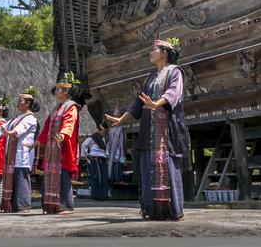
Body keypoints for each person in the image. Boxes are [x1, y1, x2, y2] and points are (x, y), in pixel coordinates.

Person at [105, 38, 190, 221]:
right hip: (148, 132)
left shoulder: (175, 72)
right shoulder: (150, 77)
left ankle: (173, 211)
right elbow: (138, 103)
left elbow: (173, 93)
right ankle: (153, 210)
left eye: (154, 50)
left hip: (167, 132)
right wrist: (121, 119)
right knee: (147, 167)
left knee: (168, 167)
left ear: (165, 53)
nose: (150, 53)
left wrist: (155, 104)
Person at [36, 73, 81, 215]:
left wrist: (63, 134)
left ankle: (66, 205)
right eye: (56, 89)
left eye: (59, 89)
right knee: (50, 174)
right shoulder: (56, 108)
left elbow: (70, 123)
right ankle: (51, 205)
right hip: (52, 148)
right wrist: (38, 141)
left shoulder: (71, 107)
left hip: (63, 147)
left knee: (63, 176)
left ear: (67, 91)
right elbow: (47, 126)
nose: (56, 92)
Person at [0, 87, 40, 213]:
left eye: (20, 100)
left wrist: (9, 132)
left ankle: (23, 206)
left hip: (23, 154)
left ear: (28, 104)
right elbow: (2, 128)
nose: (18, 102)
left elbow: (19, 129)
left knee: (21, 179)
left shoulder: (30, 118)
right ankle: (14, 206)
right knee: (14, 178)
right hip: (14, 154)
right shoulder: (17, 118)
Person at [81, 124, 110, 201]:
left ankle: (103, 195)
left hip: (102, 159)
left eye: (105, 132)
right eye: (103, 132)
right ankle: (96, 195)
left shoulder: (103, 139)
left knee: (104, 177)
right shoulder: (93, 138)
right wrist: (88, 155)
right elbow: (84, 145)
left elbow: (106, 149)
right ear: (99, 130)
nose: (104, 133)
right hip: (95, 159)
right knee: (97, 177)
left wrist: (107, 156)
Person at [106, 121, 127, 187]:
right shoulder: (110, 130)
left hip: (118, 153)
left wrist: (122, 155)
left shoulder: (121, 130)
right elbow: (108, 142)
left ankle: (117, 183)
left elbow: (123, 143)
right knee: (113, 169)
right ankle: (113, 183)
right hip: (111, 153)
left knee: (117, 168)